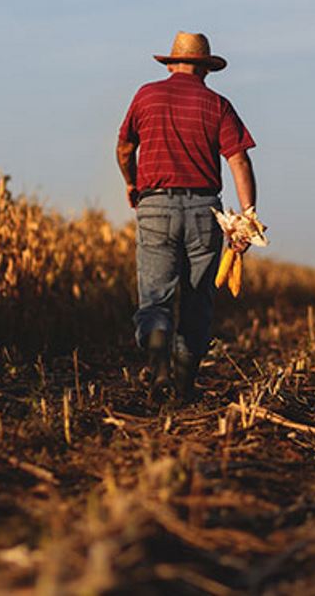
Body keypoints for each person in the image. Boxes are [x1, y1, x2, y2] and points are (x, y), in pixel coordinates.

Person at [116, 31, 258, 401]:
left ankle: (159, 366)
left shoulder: (146, 95)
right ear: (206, 68)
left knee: (156, 297)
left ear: (172, 63)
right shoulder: (217, 104)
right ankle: (183, 387)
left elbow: (124, 147)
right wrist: (246, 216)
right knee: (198, 300)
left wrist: (132, 183)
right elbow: (238, 159)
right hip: (203, 211)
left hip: (155, 205)